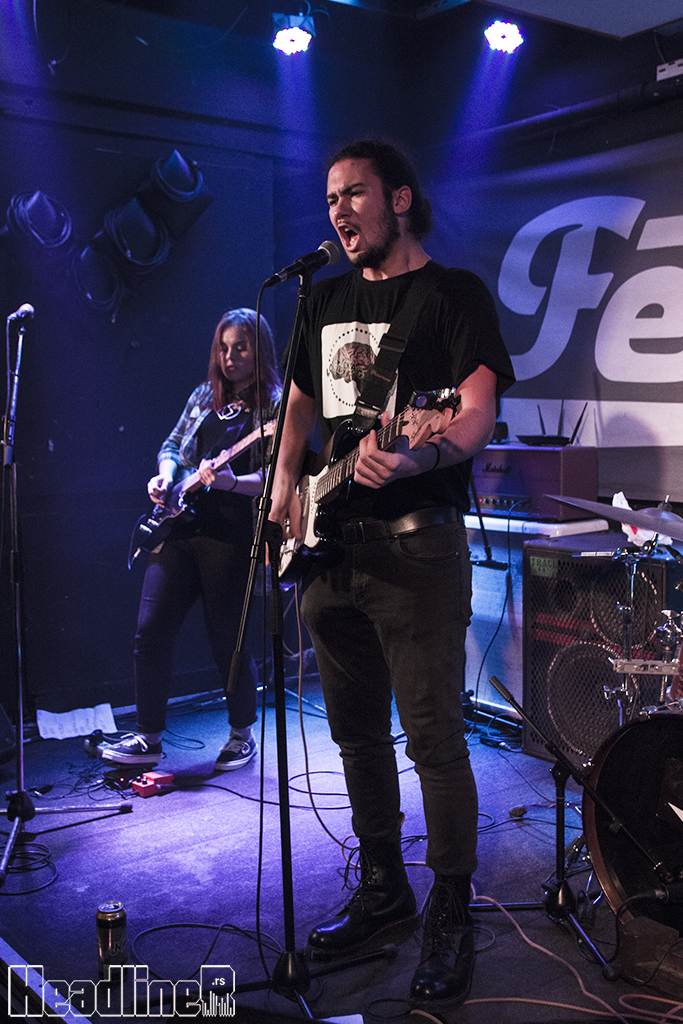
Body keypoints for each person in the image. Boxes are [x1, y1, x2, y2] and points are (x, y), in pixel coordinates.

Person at [269, 140, 515, 1009]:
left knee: (434, 739)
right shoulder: (322, 298)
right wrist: (283, 489)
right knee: (355, 737)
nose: (339, 210)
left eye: (355, 193)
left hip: (415, 548)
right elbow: (299, 405)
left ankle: (450, 909)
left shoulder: (451, 295)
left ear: (399, 199)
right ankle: (383, 888)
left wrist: (419, 456)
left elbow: (473, 412)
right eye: (330, 197)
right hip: (328, 552)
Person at [94, 308, 281, 772]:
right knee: (150, 629)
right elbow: (172, 446)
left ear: (259, 350)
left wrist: (230, 481)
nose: (230, 357)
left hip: (229, 533)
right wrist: (165, 476)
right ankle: (148, 738)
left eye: (241, 348)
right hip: (179, 526)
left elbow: (276, 477)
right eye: (224, 348)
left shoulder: (274, 405)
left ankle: (241, 735)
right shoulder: (203, 395)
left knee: (226, 639)